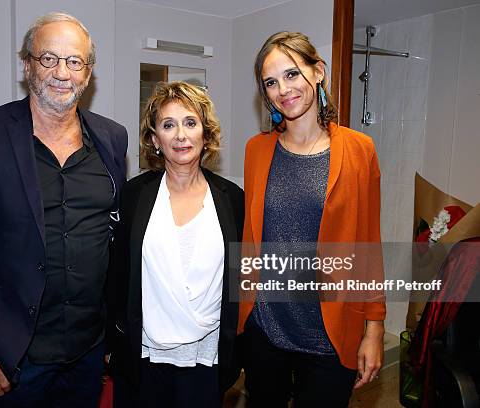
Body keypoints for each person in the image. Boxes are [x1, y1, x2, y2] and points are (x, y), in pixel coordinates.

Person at [0, 12, 127, 408]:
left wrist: (115, 334)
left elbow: (113, 239)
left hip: (87, 353)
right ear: (26, 65)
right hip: (15, 356)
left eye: (75, 61)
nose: (62, 72)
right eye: (48, 58)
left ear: (88, 73)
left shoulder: (111, 137)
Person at [238, 32, 385, 407]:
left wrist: (374, 328)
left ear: (317, 72)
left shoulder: (358, 150)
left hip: (329, 337)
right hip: (266, 331)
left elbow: (368, 244)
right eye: (271, 82)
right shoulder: (256, 151)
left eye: (291, 74)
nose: (282, 89)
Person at [109, 81, 244, 407]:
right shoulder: (133, 195)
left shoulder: (233, 200)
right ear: (155, 140)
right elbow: (117, 272)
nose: (181, 135)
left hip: (207, 357)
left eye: (190, 122)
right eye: (169, 125)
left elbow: (242, 282)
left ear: (205, 134)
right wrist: (110, 343)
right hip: (144, 357)